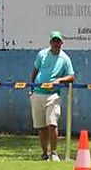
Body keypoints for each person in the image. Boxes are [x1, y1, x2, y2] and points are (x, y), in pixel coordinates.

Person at [29, 31, 75, 162]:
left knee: (52, 124)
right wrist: (31, 87)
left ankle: (54, 153)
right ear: (50, 43)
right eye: (54, 41)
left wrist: (60, 80)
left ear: (61, 43)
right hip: (38, 93)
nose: (56, 44)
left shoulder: (65, 59)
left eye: (58, 41)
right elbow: (35, 70)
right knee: (41, 127)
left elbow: (72, 76)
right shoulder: (42, 54)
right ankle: (44, 153)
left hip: (53, 95)